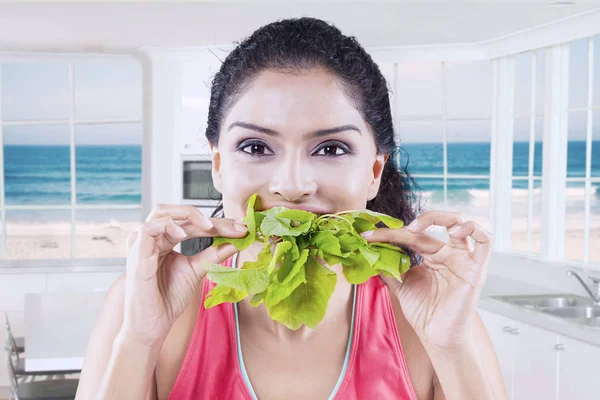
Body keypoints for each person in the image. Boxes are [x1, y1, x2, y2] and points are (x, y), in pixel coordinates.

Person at [76, 17, 507, 400]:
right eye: (256, 146)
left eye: (332, 148)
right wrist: (139, 341)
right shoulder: (142, 305)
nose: (293, 185)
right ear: (219, 165)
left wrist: (452, 351)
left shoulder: (433, 320)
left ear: (374, 170)